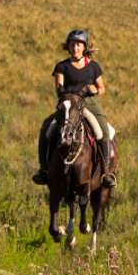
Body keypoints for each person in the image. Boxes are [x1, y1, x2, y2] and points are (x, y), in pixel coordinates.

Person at [31, 29, 116, 187]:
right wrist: (65, 93)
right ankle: (43, 171)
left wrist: (95, 90)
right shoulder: (61, 66)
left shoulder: (93, 67)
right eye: (73, 44)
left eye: (79, 44)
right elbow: (59, 88)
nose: (75, 47)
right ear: (68, 47)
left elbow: (102, 88)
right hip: (68, 103)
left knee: (103, 130)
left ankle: (106, 173)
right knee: (47, 128)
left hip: (88, 103)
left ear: (84, 47)